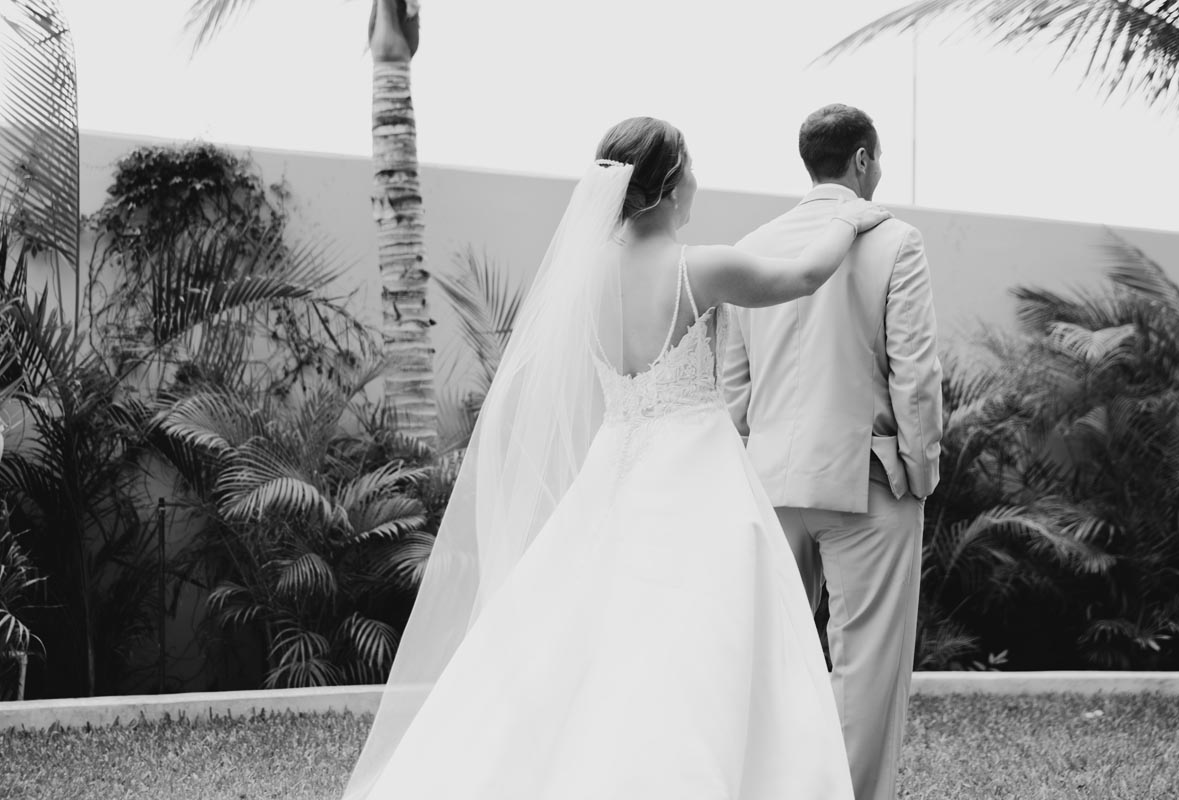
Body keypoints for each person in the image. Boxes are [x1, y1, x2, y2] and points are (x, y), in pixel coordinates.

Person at [342, 116, 891, 800]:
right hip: (695, 472)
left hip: (614, 466)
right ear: (669, 187)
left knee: (592, 627)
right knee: (693, 639)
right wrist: (850, 215)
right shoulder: (700, 267)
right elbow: (805, 275)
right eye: (691, 169)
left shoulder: (584, 278)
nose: (697, 182)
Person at [724, 103, 944, 800]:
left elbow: (734, 387)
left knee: (773, 667)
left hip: (769, 484)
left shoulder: (754, 244)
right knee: (866, 675)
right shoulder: (897, 240)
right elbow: (915, 373)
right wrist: (921, 472)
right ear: (862, 159)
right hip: (867, 481)